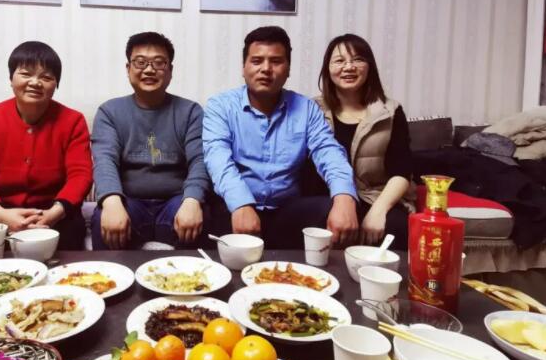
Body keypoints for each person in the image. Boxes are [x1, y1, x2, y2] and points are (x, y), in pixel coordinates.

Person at [203, 25, 359, 248]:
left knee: (334, 210)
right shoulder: (220, 106)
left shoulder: (306, 108)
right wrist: (240, 204)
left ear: (288, 69)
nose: (266, 69)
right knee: (202, 216)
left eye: (276, 61)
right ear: (243, 67)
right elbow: (218, 161)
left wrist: (344, 197)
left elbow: (329, 152)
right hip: (232, 208)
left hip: (287, 210)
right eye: (257, 61)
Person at [0, 41, 91, 249]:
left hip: (55, 213)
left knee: (67, 251)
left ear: (56, 84)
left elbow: (80, 175)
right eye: (26, 74)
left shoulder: (73, 121)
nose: (35, 82)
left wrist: (53, 214)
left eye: (46, 77)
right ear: (11, 78)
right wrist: (0, 215)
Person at [90, 32, 208, 249]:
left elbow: (200, 160)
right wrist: (111, 201)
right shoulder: (109, 111)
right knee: (101, 218)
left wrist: (192, 199)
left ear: (170, 70)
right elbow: (104, 161)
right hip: (129, 202)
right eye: (140, 62)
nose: (149, 70)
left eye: (159, 63)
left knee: (202, 215)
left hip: (176, 201)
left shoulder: (190, 111)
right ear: (128, 69)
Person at [313, 33, 415, 247]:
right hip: (326, 198)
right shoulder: (312, 109)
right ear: (327, 68)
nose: (349, 67)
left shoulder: (390, 111)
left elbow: (402, 171)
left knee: (396, 226)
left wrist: (378, 211)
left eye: (358, 59)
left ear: (370, 67)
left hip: (374, 197)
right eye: (339, 60)